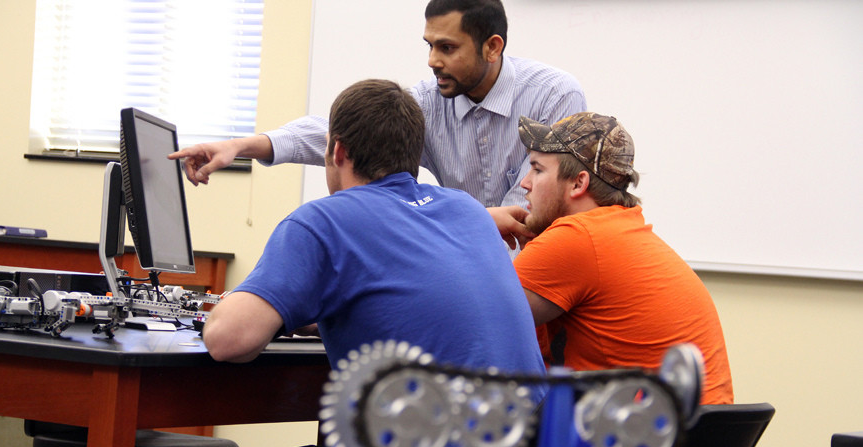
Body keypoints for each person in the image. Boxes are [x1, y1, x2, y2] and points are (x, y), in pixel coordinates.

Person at [202, 78, 547, 393]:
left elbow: (227, 340)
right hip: (535, 435)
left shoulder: (323, 222)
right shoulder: (467, 208)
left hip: (437, 440)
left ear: (337, 151)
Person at [169, 0, 585, 215]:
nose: (432, 61)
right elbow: (347, 134)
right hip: (465, 259)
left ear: (492, 47)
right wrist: (240, 146)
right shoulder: (429, 100)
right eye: (429, 45)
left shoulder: (554, 96)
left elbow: (525, 213)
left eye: (447, 48)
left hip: (534, 278)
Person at [490, 112, 733, 405]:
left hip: (648, 429)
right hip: (694, 428)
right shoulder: (618, 230)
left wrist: (476, 224)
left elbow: (473, 321)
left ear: (578, 184)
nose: (525, 183)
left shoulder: (576, 238)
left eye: (537, 170)